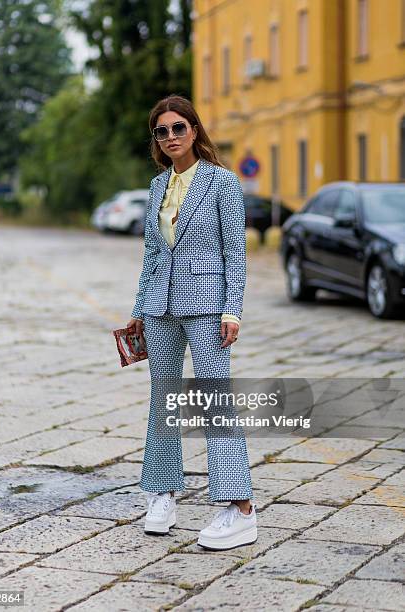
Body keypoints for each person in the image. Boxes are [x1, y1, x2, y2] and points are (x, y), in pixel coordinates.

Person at [127, 94, 256, 551]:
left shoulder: (221, 183)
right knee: (164, 401)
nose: (170, 137)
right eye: (161, 131)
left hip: (207, 306)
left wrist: (232, 309)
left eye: (178, 128)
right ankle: (162, 494)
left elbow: (235, 254)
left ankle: (239, 507)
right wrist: (140, 309)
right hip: (159, 308)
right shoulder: (156, 186)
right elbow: (151, 254)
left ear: (194, 130)